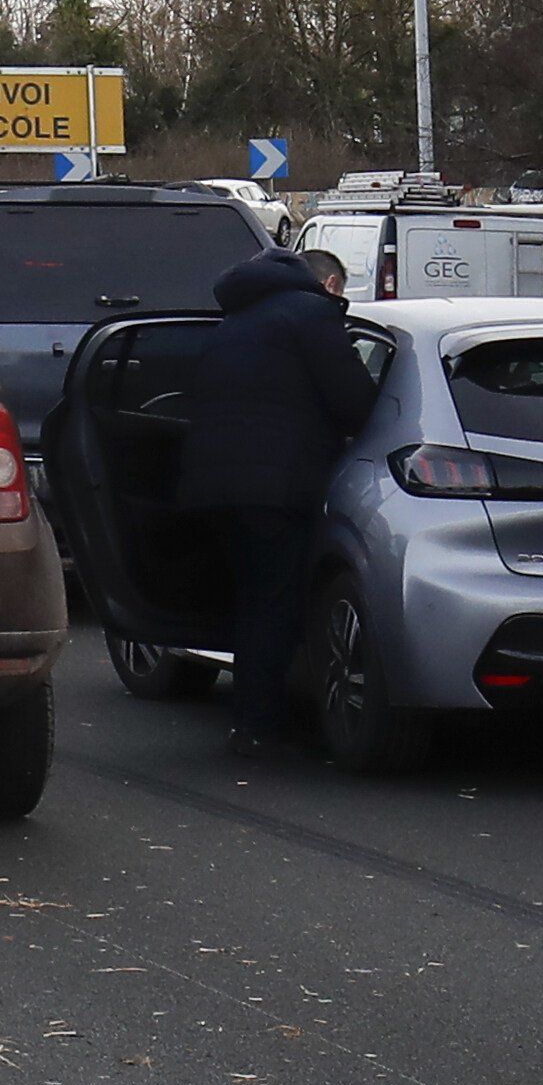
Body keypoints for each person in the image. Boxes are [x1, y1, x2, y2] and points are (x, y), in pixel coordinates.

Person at [175, 247, 381, 745]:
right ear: (330, 285)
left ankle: (251, 716)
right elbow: (356, 402)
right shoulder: (311, 315)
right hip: (278, 484)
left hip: (212, 484)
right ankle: (260, 725)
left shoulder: (236, 320)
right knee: (275, 602)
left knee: (253, 598)